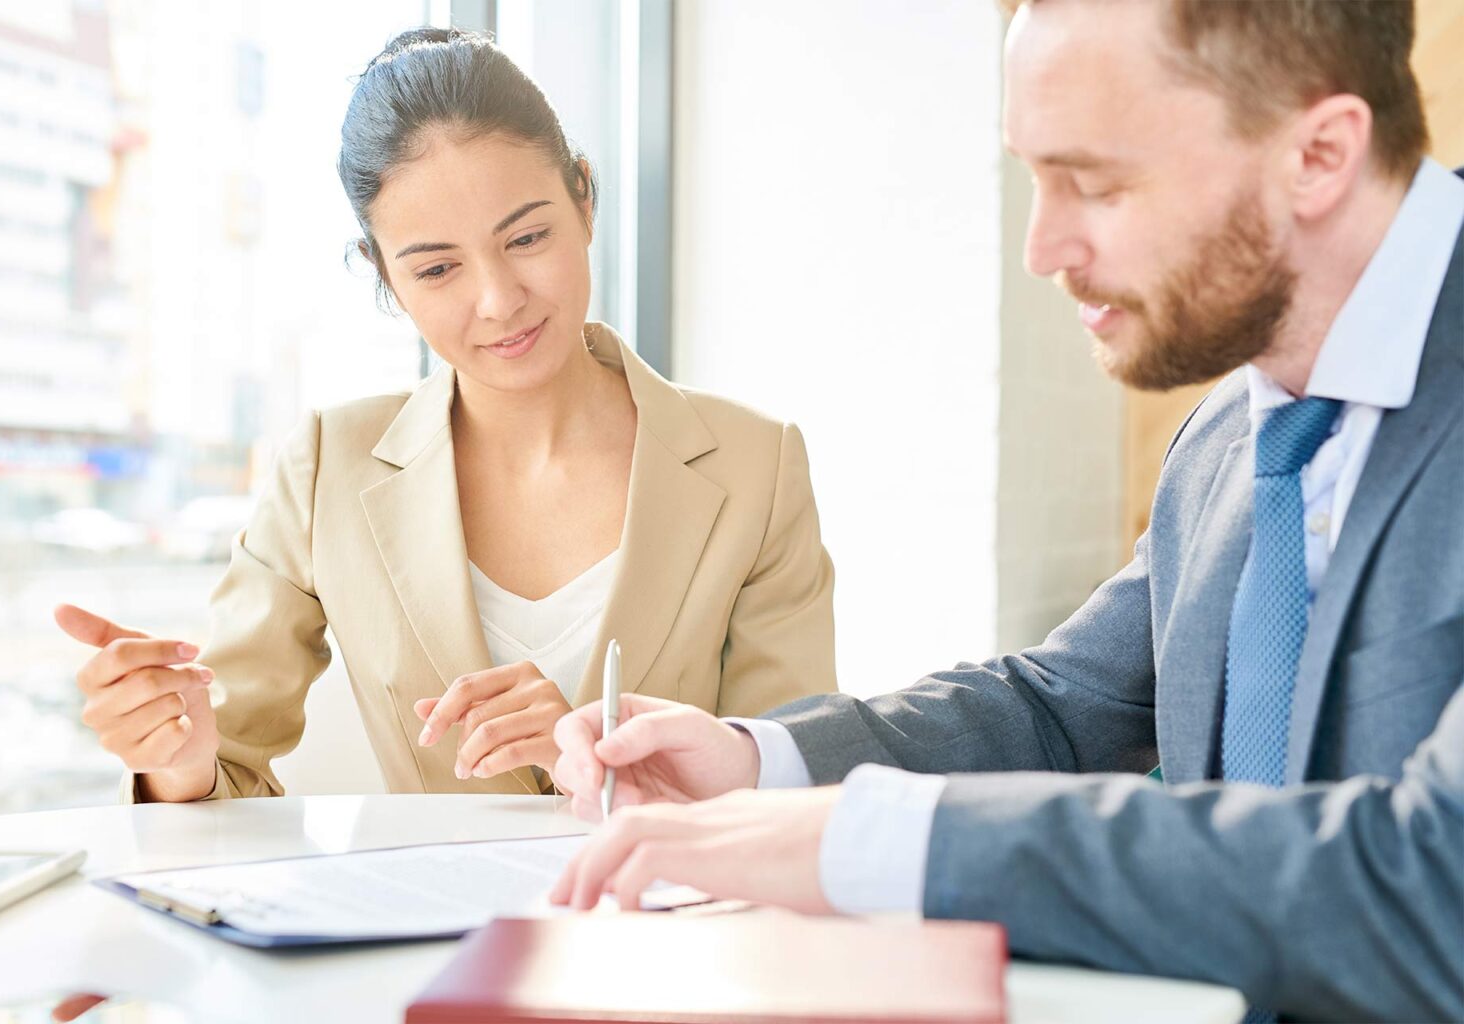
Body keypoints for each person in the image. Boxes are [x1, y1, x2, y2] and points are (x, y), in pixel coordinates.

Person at [547, 2, 1464, 1020]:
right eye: (1035, 175)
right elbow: (1064, 706)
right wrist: (762, 764)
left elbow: (1432, 881)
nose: (1042, 246)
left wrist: (870, 841)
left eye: (1097, 183)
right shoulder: (1233, 431)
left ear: (1319, 153)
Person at [51, 28, 836, 806]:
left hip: (671, 926)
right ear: (383, 274)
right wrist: (178, 756)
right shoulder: (328, 466)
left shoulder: (753, 466)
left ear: (585, 198)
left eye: (527, 237)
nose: (498, 300)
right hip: (427, 933)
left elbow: (795, 787)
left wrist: (603, 766)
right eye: (436, 268)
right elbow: (231, 772)